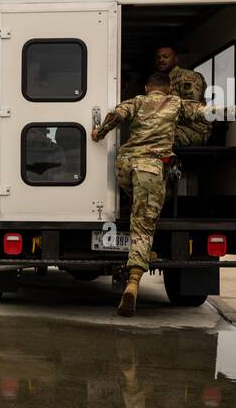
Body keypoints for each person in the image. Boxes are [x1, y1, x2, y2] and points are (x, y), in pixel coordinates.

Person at [91, 71, 217, 317]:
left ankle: (145, 248)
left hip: (125, 167)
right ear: (169, 88)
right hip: (149, 168)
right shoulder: (176, 103)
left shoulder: (137, 101)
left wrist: (99, 133)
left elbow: (115, 114)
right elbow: (207, 111)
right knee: (144, 224)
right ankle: (133, 282)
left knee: (143, 201)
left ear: (148, 88)